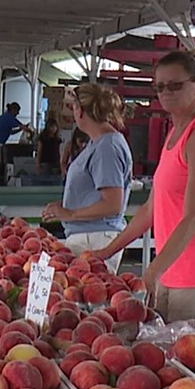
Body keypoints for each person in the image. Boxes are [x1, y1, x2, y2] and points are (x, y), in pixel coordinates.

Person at [90, 51, 195, 326]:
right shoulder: (175, 132)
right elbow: (150, 210)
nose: (166, 92)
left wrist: (154, 270)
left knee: (186, 362)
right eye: (160, 87)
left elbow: (194, 217)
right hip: (170, 270)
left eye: (175, 85)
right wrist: (107, 252)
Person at [41, 84, 132, 272]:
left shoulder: (107, 147)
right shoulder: (98, 143)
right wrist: (65, 205)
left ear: (80, 111)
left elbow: (112, 204)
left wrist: (70, 214)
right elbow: (95, 194)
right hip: (90, 235)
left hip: (95, 238)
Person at [0, 102, 29, 185]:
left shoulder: (4, 117)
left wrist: (21, 130)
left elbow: (10, 132)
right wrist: (30, 130)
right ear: (13, 110)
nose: (18, 113)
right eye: (17, 111)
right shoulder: (9, 118)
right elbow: (22, 126)